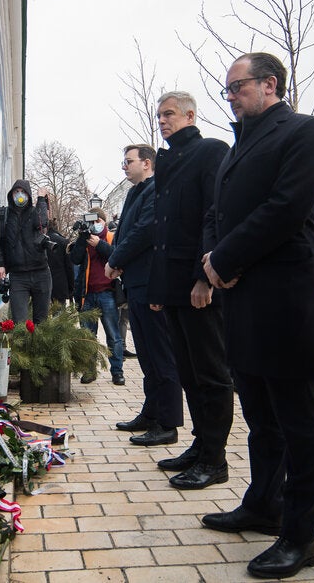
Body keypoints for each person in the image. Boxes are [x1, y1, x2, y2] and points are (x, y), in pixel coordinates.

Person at [201, 52, 314, 579]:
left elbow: (284, 208)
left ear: (269, 84)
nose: (229, 96)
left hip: (284, 298)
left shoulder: (305, 132)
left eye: (236, 87)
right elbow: (218, 213)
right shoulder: (239, 145)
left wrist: (224, 259)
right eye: (226, 90)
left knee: (297, 420)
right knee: (259, 415)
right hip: (242, 297)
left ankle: (302, 535)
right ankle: (263, 504)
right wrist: (212, 263)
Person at [146, 91, 233, 487]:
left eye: (169, 114)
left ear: (190, 115)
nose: (162, 121)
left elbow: (213, 214)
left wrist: (205, 276)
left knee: (210, 372)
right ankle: (200, 445)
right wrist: (160, 288)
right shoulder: (168, 163)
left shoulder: (210, 151)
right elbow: (163, 231)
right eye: (159, 115)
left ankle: (215, 459)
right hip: (174, 286)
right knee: (188, 370)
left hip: (199, 283)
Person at [105, 145, 183, 449]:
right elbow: (125, 233)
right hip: (135, 283)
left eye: (129, 161)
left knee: (161, 355)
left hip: (153, 283)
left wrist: (115, 260)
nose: (124, 166)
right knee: (148, 356)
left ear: (147, 163)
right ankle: (151, 414)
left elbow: (144, 231)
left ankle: (168, 423)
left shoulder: (156, 190)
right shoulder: (135, 192)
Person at [70, 207, 124, 385]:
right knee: (88, 336)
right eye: (91, 222)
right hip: (88, 294)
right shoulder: (85, 239)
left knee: (113, 335)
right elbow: (75, 259)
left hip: (107, 293)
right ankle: (89, 371)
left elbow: (117, 255)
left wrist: (98, 244)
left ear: (103, 221)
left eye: (97, 221)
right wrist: (82, 238)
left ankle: (117, 371)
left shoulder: (110, 237)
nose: (95, 225)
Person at [0, 180, 52, 324]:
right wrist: (0, 264)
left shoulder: (34, 212)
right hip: (18, 277)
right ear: (11, 194)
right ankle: (22, 347)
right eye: (16, 191)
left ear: (29, 195)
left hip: (41, 274)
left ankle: (38, 347)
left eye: (23, 192)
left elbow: (43, 223)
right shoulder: (2, 215)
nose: (20, 195)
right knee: (20, 323)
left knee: (41, 322)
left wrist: (42, 199)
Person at [45, 219, 73, 304]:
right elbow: (69, 267)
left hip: (42, 285)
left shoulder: (39, 241)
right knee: (59, 315)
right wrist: (71, 287)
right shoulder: (63, 242)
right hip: (59, 286)